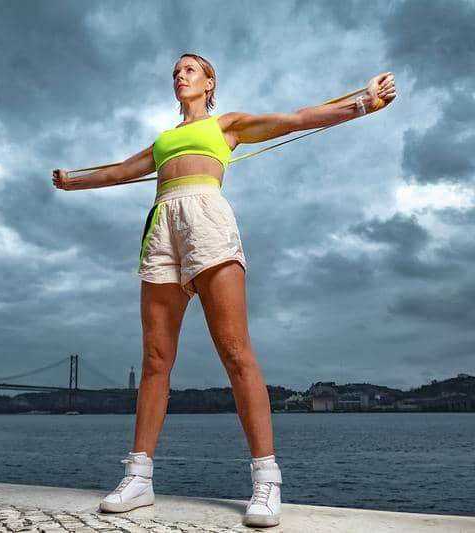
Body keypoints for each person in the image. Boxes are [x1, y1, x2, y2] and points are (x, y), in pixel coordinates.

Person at [52, 55, 396, 528]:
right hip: (161, 229)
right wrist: (71, 182)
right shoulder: (163, 141)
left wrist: (364, 101)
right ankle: (138, 478)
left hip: (207, 223)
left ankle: (266, 479)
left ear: (210, 82)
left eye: (191, 69)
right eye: (176, 70)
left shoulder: (227, 124)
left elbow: (295, 120)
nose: (180, 75)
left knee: (236, 352)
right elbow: (118, 172)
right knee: (155, 360)